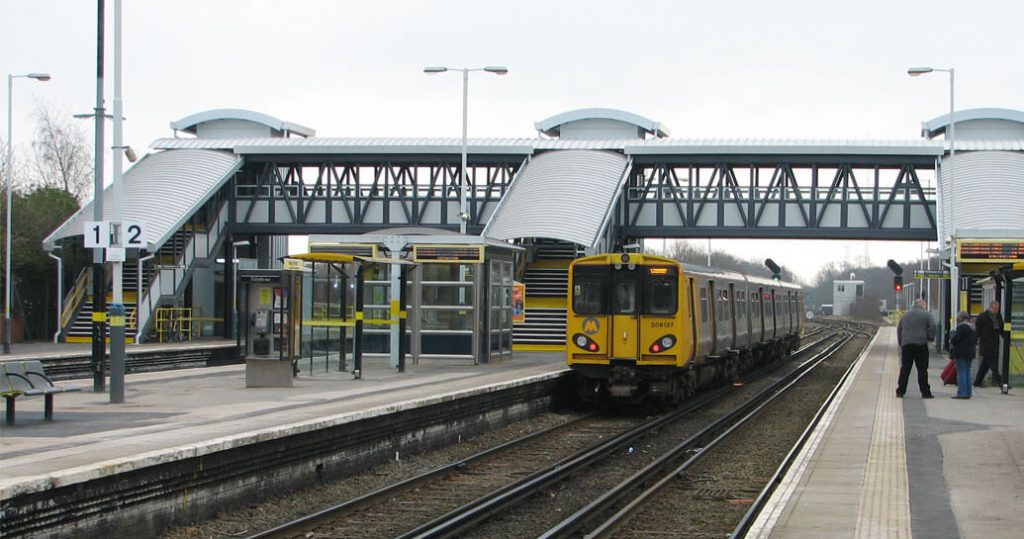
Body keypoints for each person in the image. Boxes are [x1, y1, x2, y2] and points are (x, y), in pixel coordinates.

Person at [896, 298, 937, 398]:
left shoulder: (905, 315)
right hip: (921, 345)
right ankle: (925, 392)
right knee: (922, 370)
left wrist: (901, 343)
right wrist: (930, 337)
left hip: (907, 346)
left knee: (905, 369)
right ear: (922, 305)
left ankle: (900, 391)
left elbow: (899, 329)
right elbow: (933, 326)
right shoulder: (927, 315)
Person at [973, 300, 1004, 387]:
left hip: (994, 344)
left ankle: (977, 381)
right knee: (993, 365)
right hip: (986, 344)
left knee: (985, 365)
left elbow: (1001, 329)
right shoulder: (983, 316)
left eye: (997, 309)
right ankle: (1001, 382)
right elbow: (978, 330)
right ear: (990, 308)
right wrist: (975, 341)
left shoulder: (998, 317)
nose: (996, 310)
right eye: (994, 308)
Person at [950, 310, 978, 399]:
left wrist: (952, 339)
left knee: (961, 372)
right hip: (970, 352)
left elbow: (955, 340)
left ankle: (962, 393)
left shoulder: (962, 327)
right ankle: (968, 392)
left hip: (961, 353)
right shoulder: (973, 328)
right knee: (967, 372)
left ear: (960, 319)